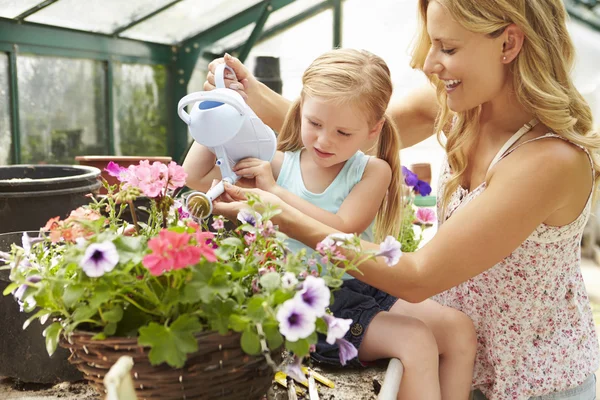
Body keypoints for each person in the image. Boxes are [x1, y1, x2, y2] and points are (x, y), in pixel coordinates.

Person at [203, 0, 600, 399]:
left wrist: (278, 211)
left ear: (508, 44)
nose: (428, 64)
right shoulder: (460, 110)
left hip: (532, 385)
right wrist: (249, 93)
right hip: (459, 362)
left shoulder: (550, 161)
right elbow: (345, 129)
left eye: (447, 47)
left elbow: (416, 275)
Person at [184, 48, 477, 400]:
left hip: (364, 287)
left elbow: (342, 229)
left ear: (373, 130)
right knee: (416, 342)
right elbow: (194, 176)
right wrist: (221, 108)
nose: (325, 141)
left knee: (459, 330)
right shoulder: (278, 162)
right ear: (301, 108)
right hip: (308, 302)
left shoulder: (371, 171)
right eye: (315, 124)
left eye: (343, 132)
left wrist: (275, 194)